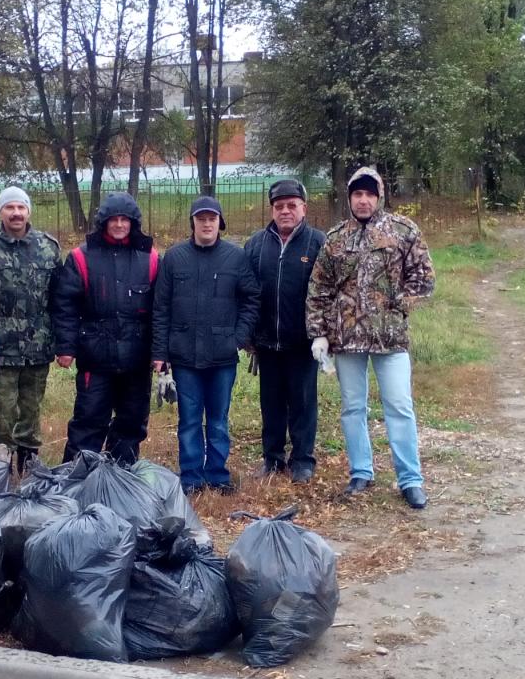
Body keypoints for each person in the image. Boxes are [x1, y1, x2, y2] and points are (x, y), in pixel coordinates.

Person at [306, 167, 435, 508]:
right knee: (352, 408)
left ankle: (410, 479)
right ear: (349, 198)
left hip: (389, 339)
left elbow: (424, 277)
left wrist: (398, 305)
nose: (363, 201)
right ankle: (360, 472)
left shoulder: (403, 231)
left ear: (379, 196)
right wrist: (319, 333)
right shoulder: (335, 239)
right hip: (346, 340)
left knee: (399, 406)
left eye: (369, 194)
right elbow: (318, 288)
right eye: (357, 194)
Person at [152, 196, 260, 495]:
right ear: (193, 222)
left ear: (220, 222)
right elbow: (160, 308)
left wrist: (238, 337)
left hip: (222, 357)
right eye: (201, 218)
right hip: (184, 356)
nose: (207, 223)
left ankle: (217, 474)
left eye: (212, 218)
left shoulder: (235, 258)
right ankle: (191, 478)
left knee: (218, 420)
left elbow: (252, 298)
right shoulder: (174, 258)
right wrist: (160, 353)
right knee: (188, 420)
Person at [52, 193, 158, 464]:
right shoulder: (80, 257)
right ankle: (74, 477)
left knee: (132, 421)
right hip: (95, 357)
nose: (120, 225)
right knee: (89, 418)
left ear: (134, 223)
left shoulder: (151, 258)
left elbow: (161, 310)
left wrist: (161, 353)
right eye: (114, 220)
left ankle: (121, 475)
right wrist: (65, 347)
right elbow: (65, 305)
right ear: (104, 223)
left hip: (137, 357)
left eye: (125, 220)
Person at [0, 186, 62, 474]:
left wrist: (62, 342)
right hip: (0, 344)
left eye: (21, 207)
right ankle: (0, 464)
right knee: (2, 409)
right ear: (0, 212)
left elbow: (60, 298)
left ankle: (29, 459)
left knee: (32, 406)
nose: (16, 213)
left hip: (38, 343)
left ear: (29, 211)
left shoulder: (48, 248)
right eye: (9, 207)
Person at [244, 179, 326, 484]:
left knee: (303, 402)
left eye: (292, 205)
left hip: (303, 342)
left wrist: (323, 333)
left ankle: (303, 460)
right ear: (272, 210)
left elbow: (327, 291)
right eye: (279, 206)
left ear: (304, 208)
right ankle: (273, 459)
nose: (285, 211)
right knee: (271, 403)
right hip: (266, 341)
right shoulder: (255, 244)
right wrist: (249, 334)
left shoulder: (317, 243)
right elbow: (247, 291)